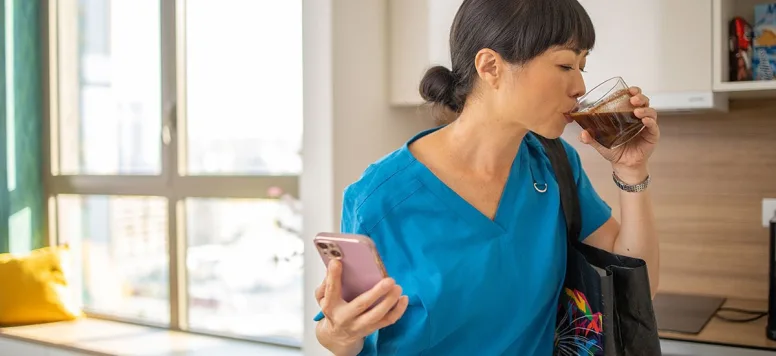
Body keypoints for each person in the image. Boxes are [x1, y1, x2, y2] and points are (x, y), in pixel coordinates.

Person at [314, 0, 660, 354]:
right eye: (565, 64)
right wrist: (339, 332)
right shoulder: (379, 197)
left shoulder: (554, 164)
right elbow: (343, 333)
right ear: (491, 66)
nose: (580, 86)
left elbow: (635, 289)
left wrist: (631, 169)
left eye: (582, 65)